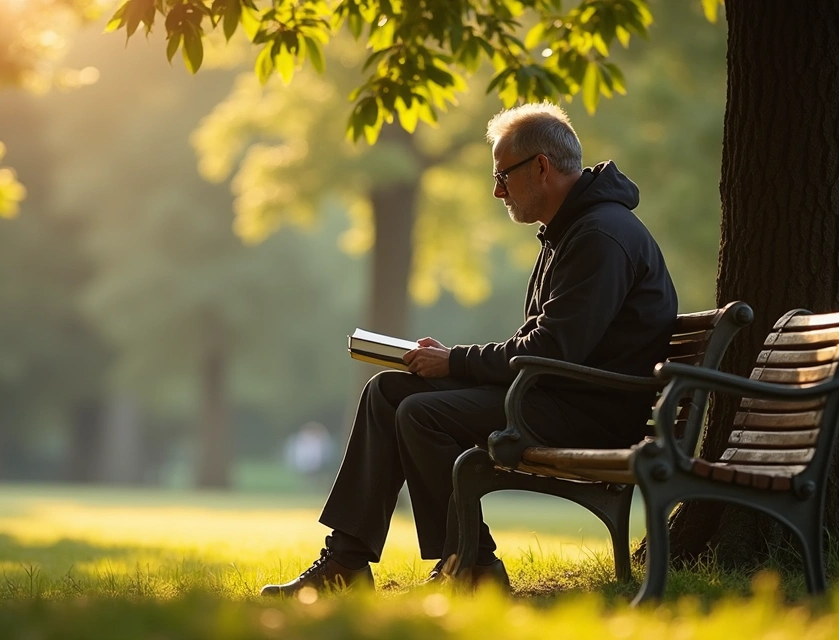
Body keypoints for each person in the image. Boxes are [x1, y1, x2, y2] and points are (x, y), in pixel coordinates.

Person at [260, 102, 679, 596]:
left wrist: (454, 361)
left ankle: (474, 565)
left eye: (503, 175)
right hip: (558, 394)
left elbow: (553, 348)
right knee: (388, 391)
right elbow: (545, 347)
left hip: (592, 411)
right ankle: (347, 562)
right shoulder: (575, 232)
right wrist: (447, 362)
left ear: (541, 167)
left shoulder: (601, 236)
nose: (497, 189)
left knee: (421, 414)